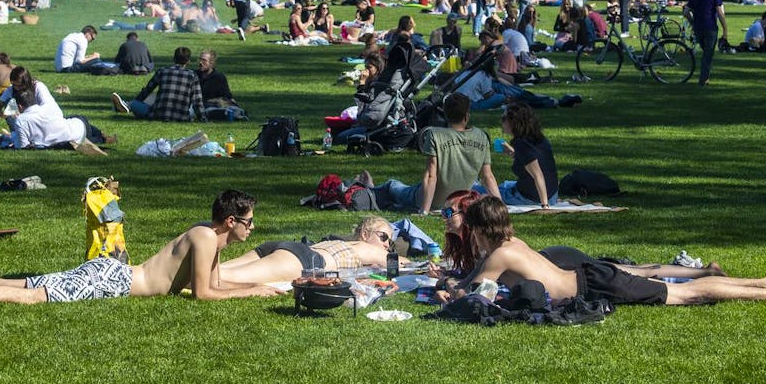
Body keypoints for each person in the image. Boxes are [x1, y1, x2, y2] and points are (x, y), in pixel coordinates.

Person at [0, 190, 282, 311]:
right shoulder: (205, 237)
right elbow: (203, 294)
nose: (252, 228)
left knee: (23, 283)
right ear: (230, 221)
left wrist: (259, 289)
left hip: (111, 274)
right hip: (113, 281)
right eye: (249, 222)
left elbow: (214, 284)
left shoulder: (211, 238)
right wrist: (254, 292)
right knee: (31, 294)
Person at [441, 197, 766, 306]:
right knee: (679, 289)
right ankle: (764, 281)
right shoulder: (512, 243)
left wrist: (447, 288)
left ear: (479, 228)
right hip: (592, 278)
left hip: (596, 285)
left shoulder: (498, 255)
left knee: (686, 294)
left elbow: (468, 293)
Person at [362, 92, 500, 214]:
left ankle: (370, 189)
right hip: (460, 201)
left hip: (431, 200)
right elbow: (488, 176)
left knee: (392, 185)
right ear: (467, 115)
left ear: (445, 114)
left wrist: (425, 210)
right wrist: (500, 206)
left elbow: (431, 175)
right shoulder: (481, 136)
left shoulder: (435, 135)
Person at [219, 216, 409, 284]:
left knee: (219, 268)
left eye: (390, 242)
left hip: (288, 248)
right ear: (365, 234)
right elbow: (408, 266)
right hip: (303, 259)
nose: (386, 245)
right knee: (224, 277)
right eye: (383, 237)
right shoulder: (369, 249)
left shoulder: (342, 242)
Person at [111, 47, 205, 122]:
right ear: (188, 61)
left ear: (173, 58)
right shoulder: (192, 75)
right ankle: (126, 107)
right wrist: (203, 118)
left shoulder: (162, 71)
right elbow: (197, 101)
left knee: (134, 104)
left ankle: (127, 106)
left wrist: (137, 102)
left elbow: (147, 90)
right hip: (182, 116)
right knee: (192, 107)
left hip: (158, 114)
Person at [491, 103, 558, 207]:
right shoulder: (539, 139)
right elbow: (533, 161)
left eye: (504, 118)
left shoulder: (521, 144)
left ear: (514, 122)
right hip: (552, 194)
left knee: (483, 190)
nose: (501, 122)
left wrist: (545, 205)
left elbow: (538, 174)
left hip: (531, 198)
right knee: (503, 185)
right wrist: (514, 153)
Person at [684, 0, 728, 86]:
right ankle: (702, 80)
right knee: (708, 54)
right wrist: (725, 30)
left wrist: (692, 22)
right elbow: (720, 13)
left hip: (698, 28)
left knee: (706, 53)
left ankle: (706, 77)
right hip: (710, 27)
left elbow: (686, 12)